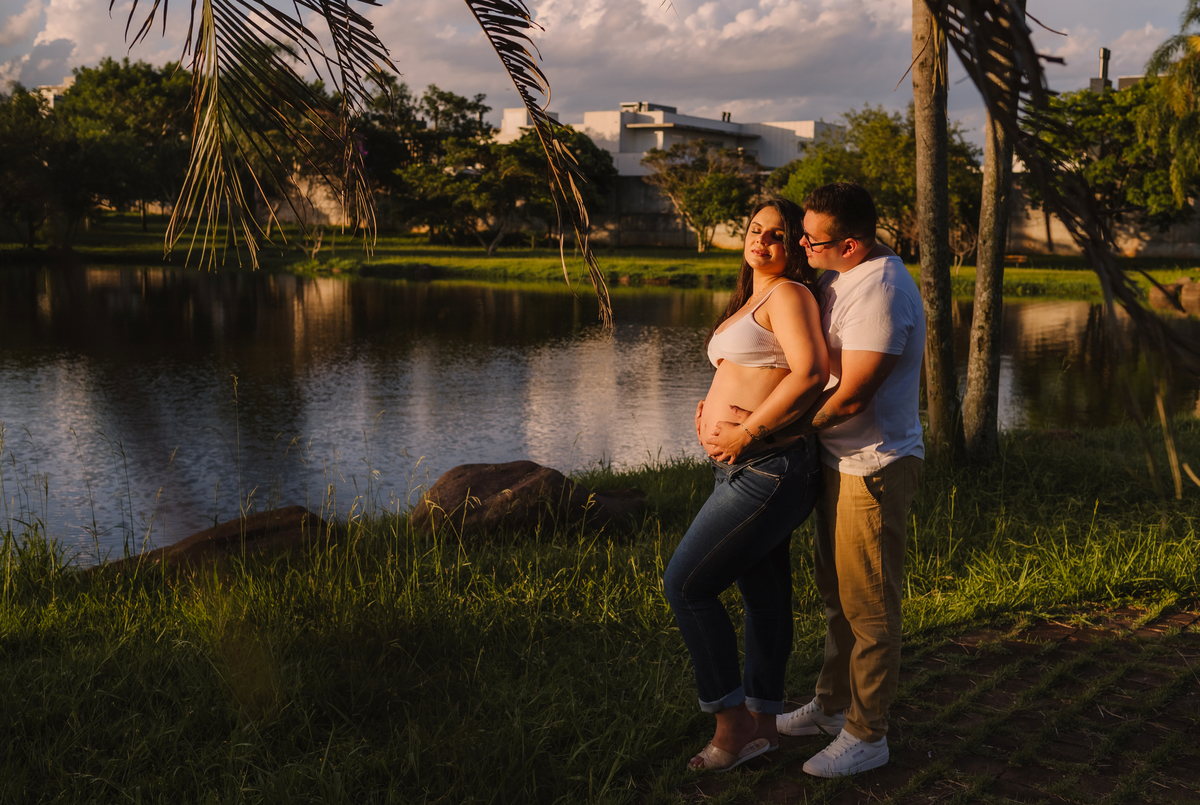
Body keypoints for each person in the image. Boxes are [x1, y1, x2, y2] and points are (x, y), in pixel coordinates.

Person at [757, 182, 926, 778]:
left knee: (870, 609)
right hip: (837, 461)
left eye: (813, 238)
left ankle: (868, 734)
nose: (803, 244)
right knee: (836, 598)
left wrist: (775, 433)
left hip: (872, 465)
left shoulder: (880, 291)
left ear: (849, 244)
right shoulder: (841, 275)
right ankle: (832, 707)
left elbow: (853, 396)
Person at [664, 197, 829, 772]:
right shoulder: (754, 297)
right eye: (756, 231)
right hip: (745, 464)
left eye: (777, 235)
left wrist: (747, 430)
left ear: (796, 248)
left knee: (686, 585)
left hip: (769, 467)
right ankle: (762, 723)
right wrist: (710, 408)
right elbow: (751, 367)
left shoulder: (789, 294)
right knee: (762, 597)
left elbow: (812, 373)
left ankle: (730, 728)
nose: (761, 242)